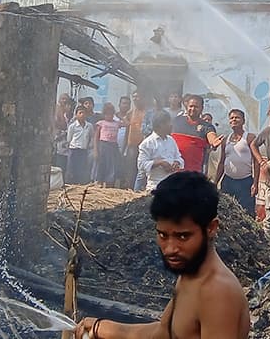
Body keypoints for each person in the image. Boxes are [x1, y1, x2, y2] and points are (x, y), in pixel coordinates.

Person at [75, 172, 250, 339]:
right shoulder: (190, 274)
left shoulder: (218, 292)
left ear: (211, 228)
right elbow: (164, 332)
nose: (170, 248)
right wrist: (101, 327)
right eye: (163, 235)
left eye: (183, 236)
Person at [216, 108, 257, 216]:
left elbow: (256, 162)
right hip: (228, 181)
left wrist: (255, 183)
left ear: (243, 121)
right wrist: (215, 182)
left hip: (245, 181)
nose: (234, 120)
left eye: (237, 118)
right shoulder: (225, 140)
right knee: (226, 212)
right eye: (232, 118)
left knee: (246, 212)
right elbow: (221, 162)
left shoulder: (250, 138)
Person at [172, 94, 221, 175]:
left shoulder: (207, 126)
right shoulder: (176, 121)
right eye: (191, 106)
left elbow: (212, 136)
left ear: (202, 109)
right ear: (186, 107)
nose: (193, 109)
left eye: (196, 107)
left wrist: (214, 142)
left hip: (194, 173)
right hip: (174, 171)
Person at [137, 112, 184, 193]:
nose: (171, 125)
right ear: (160, 125)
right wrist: (160, 163)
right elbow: (141, 165)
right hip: (155, 187)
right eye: (168, 122)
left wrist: (177, 162)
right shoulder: (147, 143)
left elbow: (179, 157)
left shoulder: (171, 140)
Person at [93, 103, 124, 186]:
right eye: (107, 114)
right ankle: (99, 182)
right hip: (103, 145)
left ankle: (110, 183)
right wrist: (95, 150)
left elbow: (127, 123)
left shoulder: (117, 123)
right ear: (104, 114)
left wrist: (120, 116)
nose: (109, 116)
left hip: (113, 146)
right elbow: (96, 137)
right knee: (102, 165)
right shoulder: (101, 123)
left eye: (111, 114)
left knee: (112, 166)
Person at [124, 91, 149, 190]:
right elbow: (126, 127)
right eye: (133, 96)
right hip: (131, 144)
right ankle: (130, 188)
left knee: (142, 168)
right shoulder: (130, 112)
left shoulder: (147, 112)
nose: (135, 98)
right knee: (131, 167)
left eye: (137, 96)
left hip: (143, 145)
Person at [66, 106, 94, 185]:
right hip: (74, 150)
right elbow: (69, 139)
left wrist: (89, 146)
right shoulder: (72, 126)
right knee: (71, 169)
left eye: (84, 113)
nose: (82, 115)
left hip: (83, 150)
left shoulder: (89, 126)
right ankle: (70, 185)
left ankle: (80, 186)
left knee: (82, 170)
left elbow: (91, 137)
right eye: (80, 113)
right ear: (76, 115)